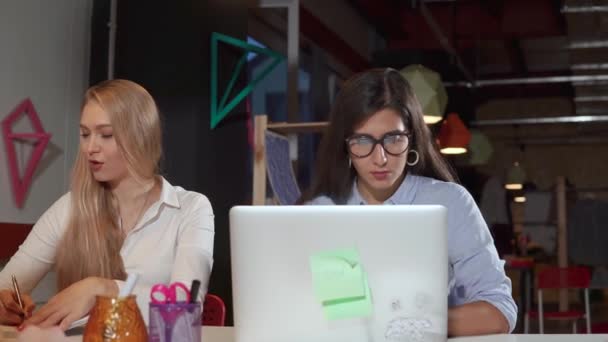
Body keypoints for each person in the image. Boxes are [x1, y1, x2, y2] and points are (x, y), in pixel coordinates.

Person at [299, 68, 516, 336]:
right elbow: (334, 313)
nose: (380, 158)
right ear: (345, 146)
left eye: (393, 139)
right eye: (363, 141)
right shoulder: (324, 211)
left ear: (412, 138)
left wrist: (411, 323)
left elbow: (499, 311)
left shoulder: (449, 202)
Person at [0, 79, 214, 330]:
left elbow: (186, 305)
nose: (91, 148)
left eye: (106, 135)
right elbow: (7, 285)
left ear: (140, 136)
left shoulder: (191, 208)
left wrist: (104, 289)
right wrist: (5, 302)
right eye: (85, 134)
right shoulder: (69, 208)